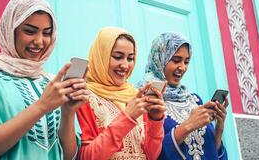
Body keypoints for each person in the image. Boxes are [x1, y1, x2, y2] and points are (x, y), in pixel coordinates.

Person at [0, 0, 90, 160]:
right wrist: (41, 106)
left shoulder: (51, 83)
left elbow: (69, 156)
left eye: (47, 33)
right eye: (30, 31)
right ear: (10, 30)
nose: (39, 41)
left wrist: (68, 112)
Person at [76, 27, 166, 160]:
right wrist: (127, 117)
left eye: (130, 58)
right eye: (118, 57)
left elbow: (152, 155)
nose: (125, 65)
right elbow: (87, 157)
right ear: (102, 56)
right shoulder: (83, 96)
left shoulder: (135, 95)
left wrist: (155, 120)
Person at [137, 32, 228, 160]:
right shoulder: (145, 100)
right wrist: (188, 125)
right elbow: (149, 154)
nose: (183, 67)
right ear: (159, 59)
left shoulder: (194, 100)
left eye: (186, 62)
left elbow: (213, 153)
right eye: (176, 60)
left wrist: (219, 129)